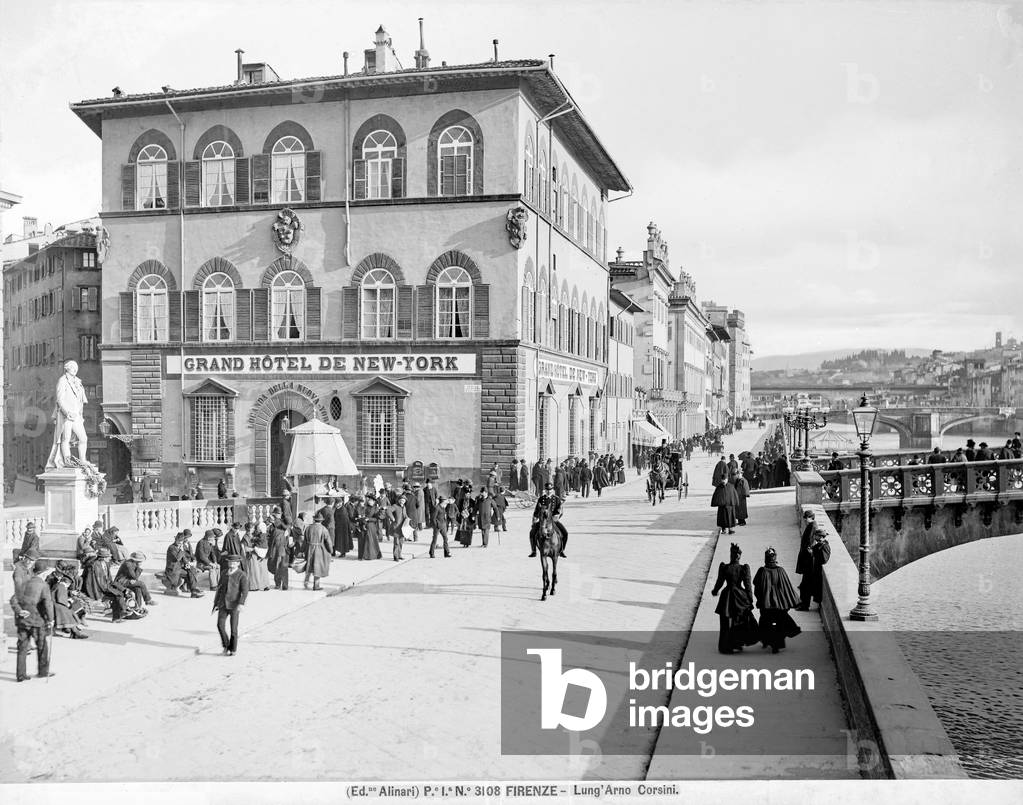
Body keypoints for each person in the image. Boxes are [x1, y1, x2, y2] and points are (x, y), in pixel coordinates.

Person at [10, 559, 55, 681]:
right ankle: (43, 671)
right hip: (37, 621)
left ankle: (21, 675)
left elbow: (13, 600)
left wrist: (19, 611)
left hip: (23, 621)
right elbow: (48, 604)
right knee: (42, 646)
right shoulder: (43, 585)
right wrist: (51, 619)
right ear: (43, 573)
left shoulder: (24, 582)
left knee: (22, 648)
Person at [710, 543, 758, 654]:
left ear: (731, 555)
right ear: (739, 556)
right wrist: (750, 599)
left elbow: (720, 582)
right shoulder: (744, 568)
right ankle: (736, 642)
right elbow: (748, 585)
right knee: (738, 621)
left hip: (726, 596)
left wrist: (715, 591)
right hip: (740, 597)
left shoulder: (724, 567)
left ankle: (724, 646)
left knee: (725, 622)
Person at [753, 547, 801, 653]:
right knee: (779, 623)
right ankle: (777, 645)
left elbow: (757, 586)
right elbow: (787, 588)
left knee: (765, 622)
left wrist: (760, 599)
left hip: (766, 605)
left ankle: (766, 641)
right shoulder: (781, 571)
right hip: (779, 605)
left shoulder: (762, 571)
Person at [213, 555, 248, 656]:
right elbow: (219, 589)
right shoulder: (224, 573)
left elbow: (245, 591)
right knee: (220, 625)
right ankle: (226, 645)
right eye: (230, 562)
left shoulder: (241, 575)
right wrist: (216, 603)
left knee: (233, 629)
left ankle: (233, 649)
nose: (231, 564)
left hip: (234, 605)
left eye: (234, 562)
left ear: (238, 563)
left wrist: (241, 603)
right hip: (223, 604)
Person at [795, 527, 831, 611]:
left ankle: (804, 605)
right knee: (804, 588)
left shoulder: (825, 546)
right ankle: (803, 604)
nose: (814, 536)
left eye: (816, 535)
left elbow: (824, 559)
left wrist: (812, 553)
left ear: (820, 537)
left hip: (814, 572)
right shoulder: (820, 544)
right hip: (811, 570)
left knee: (805, 588)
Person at [50, 561, 89, 639]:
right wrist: (68, 603)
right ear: (66, 582)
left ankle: (74, 631)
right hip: (57, 606)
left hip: (56, 605)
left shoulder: (60, 585)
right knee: (69, 613)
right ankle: (75, 632)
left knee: (71, 611)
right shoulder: (61, 586)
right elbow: (61, 599)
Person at [529, 483, 568, 558]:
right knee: (532, 533)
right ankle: (533, 550)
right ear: (545, 490)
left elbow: (559, 509)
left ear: (553, 490)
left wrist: (557, 515)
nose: (548, 491)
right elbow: (537, 510)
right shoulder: (541, 499)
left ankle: (562, 550)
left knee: (565, 533)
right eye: (547, 490)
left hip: (553, 521)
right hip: (542, 521)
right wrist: (534, 519)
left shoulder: (556, 499)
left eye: (550, 490)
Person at [165, 533, 202, 598]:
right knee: (189, 572)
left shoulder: (179, 547)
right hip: (172, 569)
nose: (180, 543)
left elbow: (184, 558)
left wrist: (187, 564)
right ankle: (192, 590)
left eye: (181, 541)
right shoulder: (171, 548)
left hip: (179, 567)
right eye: (179, 541)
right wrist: (181, 550)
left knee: (192, 569)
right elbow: (177, 558)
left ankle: (193, 590)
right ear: (175, 540)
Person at [303, 511, 333, 589]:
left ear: (314, 519)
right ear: (321, 520)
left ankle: (306, 582)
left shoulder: (308, 528)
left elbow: (305, 540)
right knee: (317, 567)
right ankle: (316, 585)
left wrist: (302, 550)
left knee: (309, 565)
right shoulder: (324, 529)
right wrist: (330, 550)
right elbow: (328, 542)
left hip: (309, 548)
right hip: (319, 549)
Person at [243, 524, 271, 591]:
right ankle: (254, 586)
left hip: (260, 554)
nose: (253, 529)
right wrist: (254, 549)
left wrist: (260, 550)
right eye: (252, 528)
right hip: (253, 555)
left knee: (262, 570)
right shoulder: (245, 537)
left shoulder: (256, 535)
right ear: (248, 529)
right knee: (254, 571)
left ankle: (265, 585)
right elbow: (245, 548)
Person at [385, 495, 408, 561]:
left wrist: (407, 519)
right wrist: (392, 518)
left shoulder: (404, 507)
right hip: (396, 527)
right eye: (401, 500)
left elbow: (405, 515)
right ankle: (395, 556)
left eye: (403, 501)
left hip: (402, 528)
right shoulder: (395, 506)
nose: (402, 502)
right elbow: (388, 510)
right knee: (396, 542)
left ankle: (399, 555)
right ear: (399, 500)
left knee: (401, 542)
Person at [360, 494, 384, 560]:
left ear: (374, 501)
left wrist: (369, 519)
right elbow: (362, 514)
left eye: (371, 500)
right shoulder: (365, 507)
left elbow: (376, 519)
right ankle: (365, 555)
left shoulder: (375, 508)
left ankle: (371, 555)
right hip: (365, 525)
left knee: (371, 541)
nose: (369, 501)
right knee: (365, 541)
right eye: (368, 500)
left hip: (371, 526)